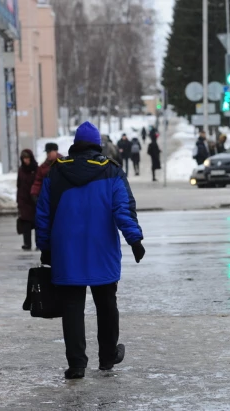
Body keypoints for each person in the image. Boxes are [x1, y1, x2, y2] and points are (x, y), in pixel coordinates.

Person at [36, 121, 145, 380]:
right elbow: (123, 210)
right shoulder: (112, 172)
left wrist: (45, 247)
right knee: (106, 304)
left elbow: (43, 215)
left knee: (72, 307)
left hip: (66, 253)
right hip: (102, 251)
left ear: (75, 145)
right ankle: (107, 357)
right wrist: (135, 240)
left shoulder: (56, 173)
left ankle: (76, 365)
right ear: (98, 145)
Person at [16, 149, 38, 250]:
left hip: (34, 199)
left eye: (27, 158)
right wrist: (18, 200)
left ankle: (39, 243)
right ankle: (27, 244)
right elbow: (19, 184)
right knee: (25, 223)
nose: (26, 161)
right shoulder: (21, 170)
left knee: (37, 222)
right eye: (24, 159)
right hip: (24, 200)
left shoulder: (36, 169)